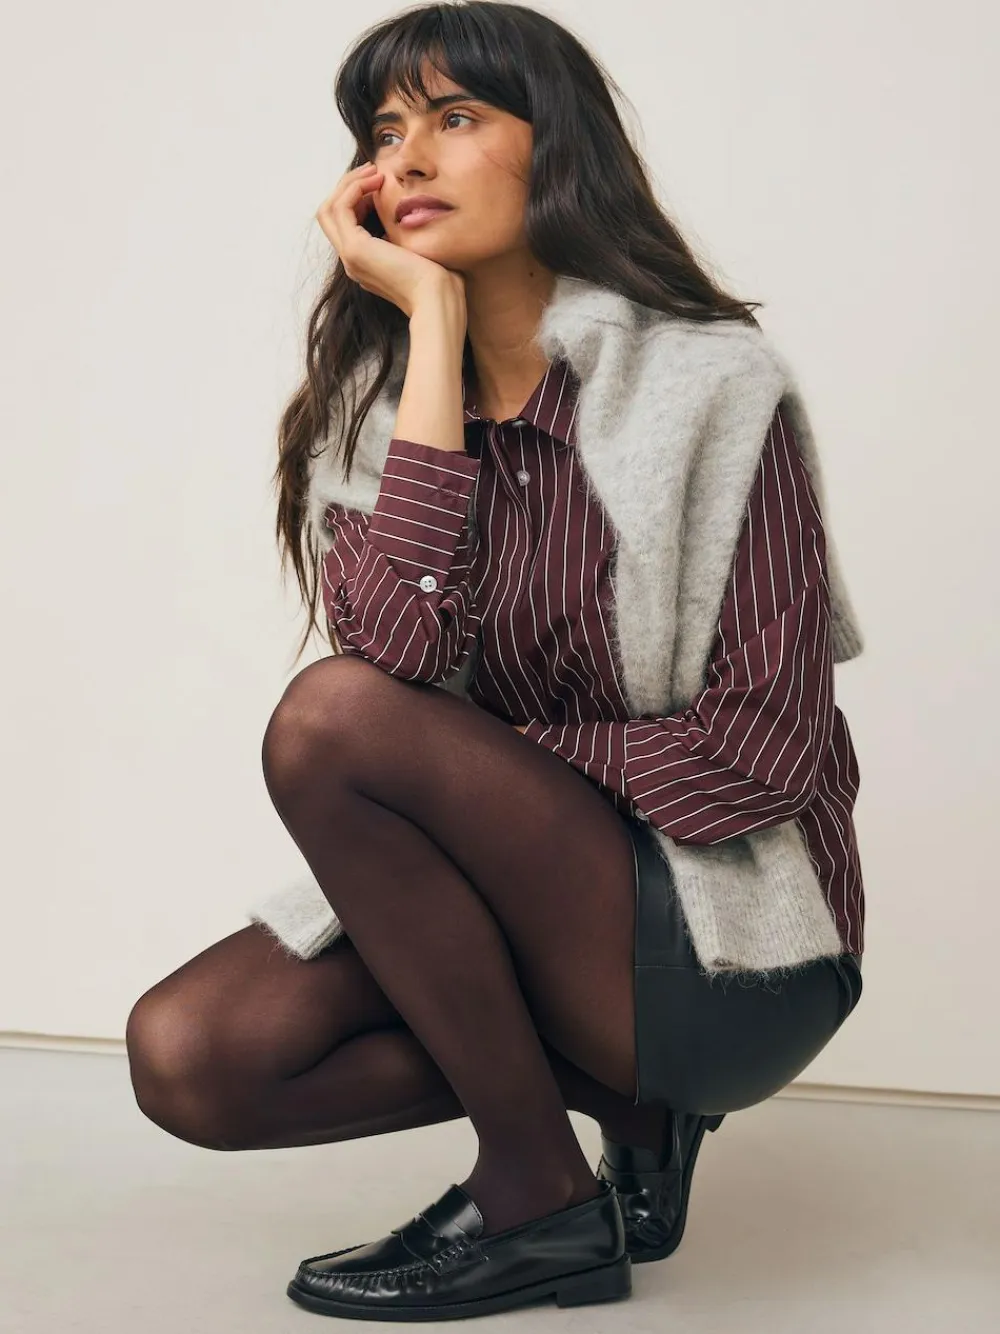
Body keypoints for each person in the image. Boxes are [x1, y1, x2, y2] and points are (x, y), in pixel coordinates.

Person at [124, 2, 865, 1322]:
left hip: (727, 951)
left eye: (454, 117)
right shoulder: (377, 419)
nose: (404, 158)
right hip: (517, 925)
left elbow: (762, 748)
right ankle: (613, 1125)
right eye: (382, 132)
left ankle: (534, 1191)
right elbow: (396, 668)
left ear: (555, 146)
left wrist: (488, 779)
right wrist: (427, 328)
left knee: (334, 719)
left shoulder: (710, 386)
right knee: (193, 1054)